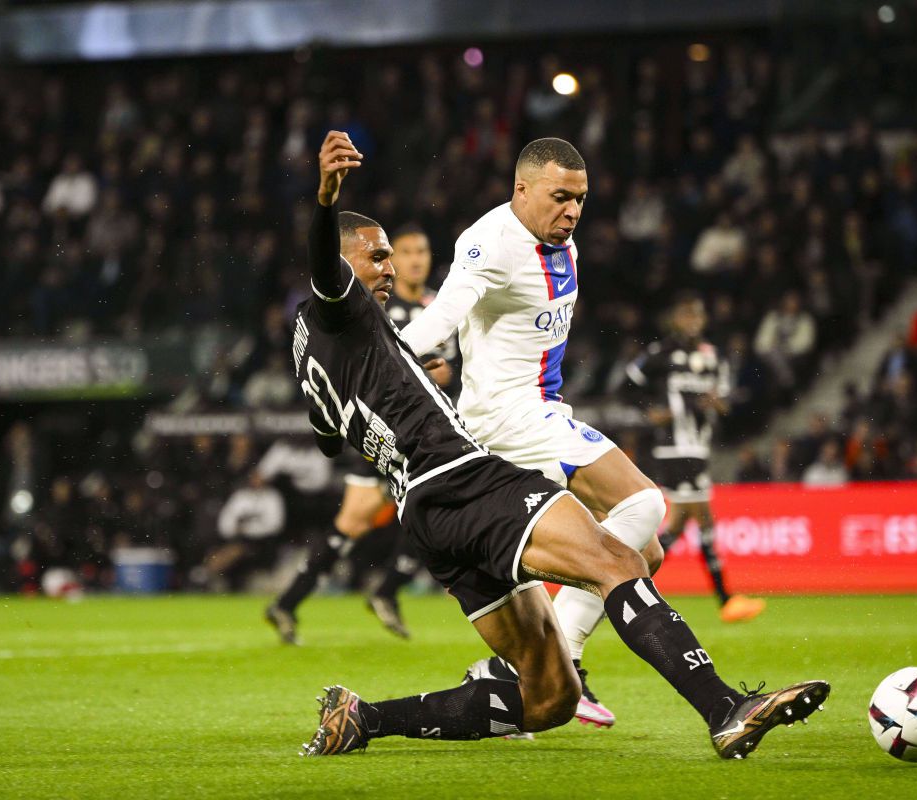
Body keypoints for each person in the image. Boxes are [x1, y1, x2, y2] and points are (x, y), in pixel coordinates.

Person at [294, 131, 828, 759]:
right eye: (377, 258)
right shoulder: (345, 306)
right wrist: (326, 199)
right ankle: (724, 708)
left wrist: (401, 379)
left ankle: (362, 718)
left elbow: (328, 437)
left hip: (425, 511)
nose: (391, 270)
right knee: (620, 558)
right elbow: (333, 271)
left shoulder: (312, 347)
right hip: (466, 477)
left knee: (551, 697)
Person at [400, 137, 670, 728]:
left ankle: (518, 668)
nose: (572, 211)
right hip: (508, 417)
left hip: (542, 412)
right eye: (560, 197)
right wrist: (382, 362)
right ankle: (566, 656)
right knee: (643, 503)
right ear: (521, 189)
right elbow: (442, 316)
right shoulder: (490, 241)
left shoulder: (560, 242)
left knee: (645, 552)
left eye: (580, 199)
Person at [265, 223, 451, 643]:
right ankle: (369, 593)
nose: (414, 261)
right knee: (364, 520)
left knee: (421, 507)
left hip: (421, 428)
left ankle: (302, 601)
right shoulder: (373, 301)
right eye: (405, 252)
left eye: (421, 252)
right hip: (380, 427)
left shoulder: (440, 308)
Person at [626, 293, 766, 623]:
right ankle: (725, 600)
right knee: (702, 518)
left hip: (699, 446)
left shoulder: (712, 356)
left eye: (698, 315)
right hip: (674, 447)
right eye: (687, 315)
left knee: (680, 524)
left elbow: (726, 403)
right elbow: (628, 384)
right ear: (675, 319)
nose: (693, 321)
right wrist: (651, 411)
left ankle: (626, 584)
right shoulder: (661, 354)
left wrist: (718, 404)